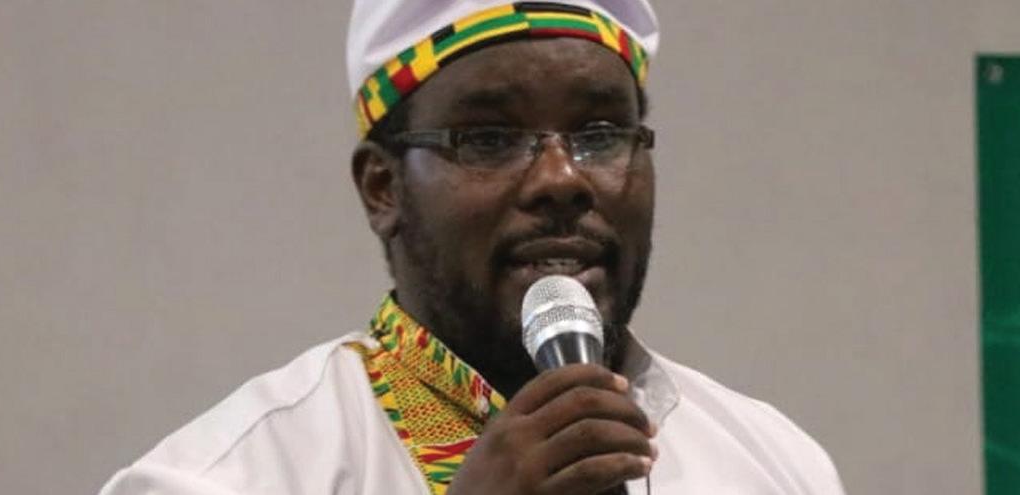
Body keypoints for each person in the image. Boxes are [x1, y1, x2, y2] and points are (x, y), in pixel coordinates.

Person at [99, 1, 846, 493]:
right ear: (383, 188)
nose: (561, 178)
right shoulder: (228, 478)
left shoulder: (771, 464)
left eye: (599, 134)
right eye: (488, 138)